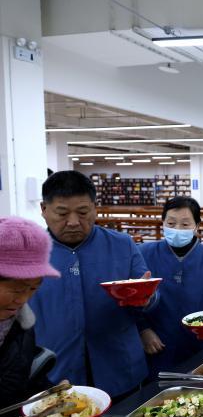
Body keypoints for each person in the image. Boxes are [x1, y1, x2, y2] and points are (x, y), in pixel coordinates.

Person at [30, 171, 158, 399]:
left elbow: (150, 292)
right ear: (43, 209)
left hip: (120, 368)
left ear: (95, 208)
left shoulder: (122, 245)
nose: (73, 222)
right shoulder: (28, 254)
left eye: (82, 212)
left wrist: (147, 298)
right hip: (55, 374)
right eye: (62, 213)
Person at [139, 197, 203, 377]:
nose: (177, 229)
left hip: (198, 342)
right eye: (171, 223)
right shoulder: (143, 253)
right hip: (156, 343)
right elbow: (131, 300)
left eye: (185, 224)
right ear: (163, 223)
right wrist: (143, 330)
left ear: (196, 226)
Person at [0, 217, 59, 417]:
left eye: (33, 289)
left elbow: (17, 372)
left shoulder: (21, 323)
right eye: (16, 290)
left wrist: (50, 394)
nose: (23, 299)